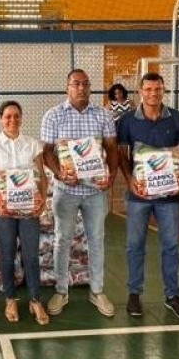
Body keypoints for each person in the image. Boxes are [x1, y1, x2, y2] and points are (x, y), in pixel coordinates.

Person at [41, 68, 118, 318]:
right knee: (62, 239)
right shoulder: (53, 116)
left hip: (96, 191)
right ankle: (61, 290)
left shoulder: (103, 115)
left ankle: (97, 291)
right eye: (76, 84)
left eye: (85, 84)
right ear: (67, 87)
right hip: (66, 191)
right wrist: (59, 174)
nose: (81, 88)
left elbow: (112, 149)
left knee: (96, 239)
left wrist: (112, 178)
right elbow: (47, 153)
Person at [117, 72, 179, 321]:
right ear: (140, 92)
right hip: (138, 195)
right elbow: (121, 155)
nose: (153, 93)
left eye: (157, 89)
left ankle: (173, 295)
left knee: (171, 246)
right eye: (148, 89)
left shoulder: (177, 118)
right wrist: (130, 181)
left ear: (164, 90)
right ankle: (134, 293)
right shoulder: (127, 121)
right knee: (134, 246)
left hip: (169, 197)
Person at [0, 101, 50, 325]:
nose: (12, 120)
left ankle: (35, 300)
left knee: (30, 255)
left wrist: (42, 201)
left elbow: (41, 175)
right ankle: (10, 298)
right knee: (8, 254)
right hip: (3, 211)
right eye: (8, 116)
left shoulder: (32, 145)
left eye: (16, 116)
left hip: (30, 210)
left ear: (22, 118)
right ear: (1, 119)